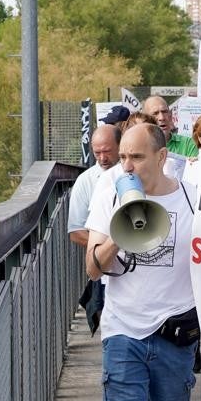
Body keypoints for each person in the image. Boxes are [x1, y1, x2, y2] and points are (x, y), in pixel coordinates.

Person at [85, 123, 200, 401]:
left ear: (161, 156)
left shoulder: (191, 196)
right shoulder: (111, 190)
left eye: (136, 157)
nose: (127, 165)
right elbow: (92, 268)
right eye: (122, 157)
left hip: (174, 325)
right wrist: (119, 234)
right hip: (123, 328)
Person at [68, 124, 120, 335]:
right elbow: (75, 231)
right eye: (97, 152)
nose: (102, 157)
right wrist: (108, 245)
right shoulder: (86, 181)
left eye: (107, 151)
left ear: (120, 145)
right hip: (106, 266)